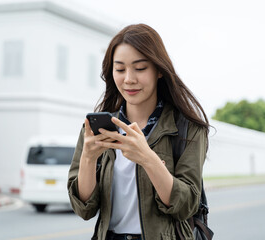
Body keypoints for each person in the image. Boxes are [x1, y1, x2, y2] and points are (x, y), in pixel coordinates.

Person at [68, 23, 209, 240]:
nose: (129, 79)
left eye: (140, 68)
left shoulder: (187, 128)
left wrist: (148, 159)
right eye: (120, 69)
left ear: (159, 70)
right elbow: (84, 209)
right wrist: (87, 158)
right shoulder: (96, 129)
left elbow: (186, 206)